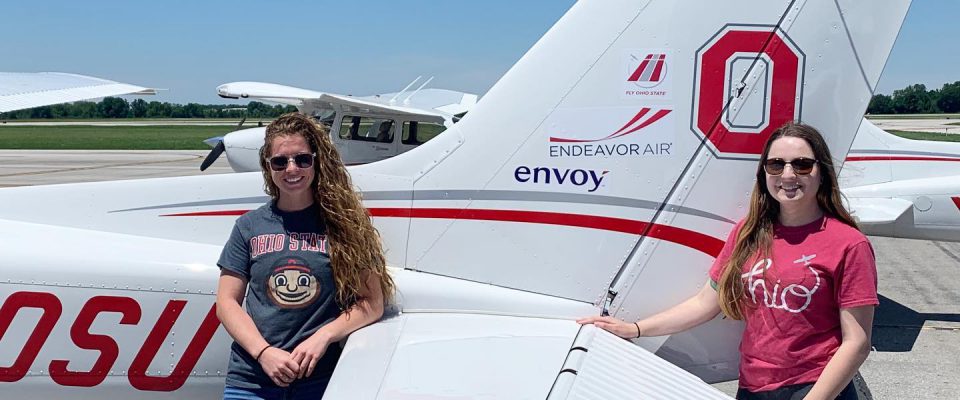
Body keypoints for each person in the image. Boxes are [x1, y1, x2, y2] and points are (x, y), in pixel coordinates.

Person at [579, 122, 877, 400]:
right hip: (753, 386)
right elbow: (706, 303)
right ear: (764, 173)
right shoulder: (749, 233)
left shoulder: (849, 244)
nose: (787, 175)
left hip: (814, 386)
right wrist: (634, 328)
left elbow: (856, 342)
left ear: (821, 172)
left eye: (802, 164)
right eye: (776, 165)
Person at [215, 112, 395, 400]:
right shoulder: (248, 226)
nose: (291, 169)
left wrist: (323, 337)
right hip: (252, 379)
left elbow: (372, 303)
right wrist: (264, 353)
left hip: (318, 380)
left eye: (302, 159)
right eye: (280, 161)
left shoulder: (343, 227)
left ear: (316, 161)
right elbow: (226, 303)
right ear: (268, 167)